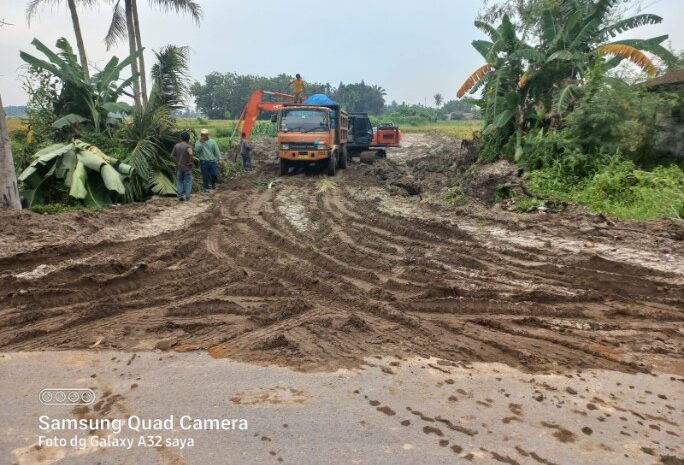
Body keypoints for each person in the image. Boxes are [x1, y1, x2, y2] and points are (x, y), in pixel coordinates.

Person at [171, 132, 194, 201]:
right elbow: (191, 153)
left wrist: (177, 162)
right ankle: (187, 195)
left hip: (179, 167)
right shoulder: (188, 146)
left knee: (179, 181)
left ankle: (180, 195)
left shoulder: (176, 146)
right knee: (188, 181)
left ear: (181, 138)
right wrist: (190, 161)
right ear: (188, 139)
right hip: (187, 167)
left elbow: (171, 156)